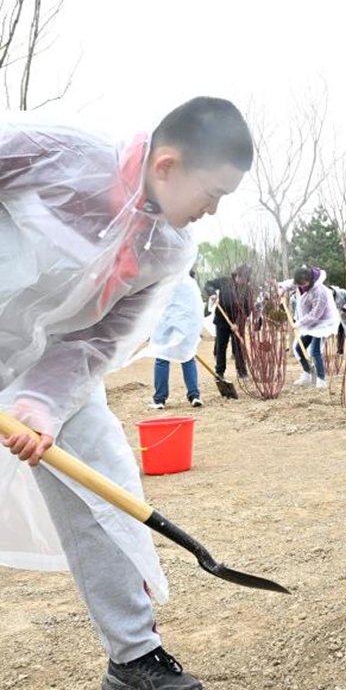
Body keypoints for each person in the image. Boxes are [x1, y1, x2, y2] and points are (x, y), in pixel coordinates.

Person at [0, 96, 253, 690]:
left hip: (45, 365)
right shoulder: (56, 152)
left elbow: (97, 342)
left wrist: (39, 404)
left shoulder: (167, 250)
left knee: (105, 494)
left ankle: (134, 657)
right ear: (167, 166)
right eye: (211, 193)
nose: (212, 211)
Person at [149, 270, 205, 409]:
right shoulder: (189, 283)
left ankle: (159, 399)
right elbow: (197, 308)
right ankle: (194, 395)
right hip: (184, 324)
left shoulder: (163, 278)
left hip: (165, 324)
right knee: (187, 357)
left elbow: (153, 303)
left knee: (162, 359)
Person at [279, 265, 339, 388]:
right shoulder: (302, 282)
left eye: (302, 284)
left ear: (309, 280)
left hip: (323, 322)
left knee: (314, 351)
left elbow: (316, 314)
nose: (300, 287)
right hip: (310, 322)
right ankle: (307, 373)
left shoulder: (319, 291)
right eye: (299, 284)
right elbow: (290, 284)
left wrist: (299, 324)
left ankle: (321, 380)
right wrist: (282, 289)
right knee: (298, 348)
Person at [203, 264, 252, 381]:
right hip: (222, 320)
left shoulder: (247, 290)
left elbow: (247, 308)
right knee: (221, 346)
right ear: (237, 275)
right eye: (241, 278)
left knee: (239, 347)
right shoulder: (225, 282)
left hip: (237, 322)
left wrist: (238, 322)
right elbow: (208, 284)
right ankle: (219, 373)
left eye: (245, 279)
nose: (242, 281)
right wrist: (213, 294)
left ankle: (242, 372)